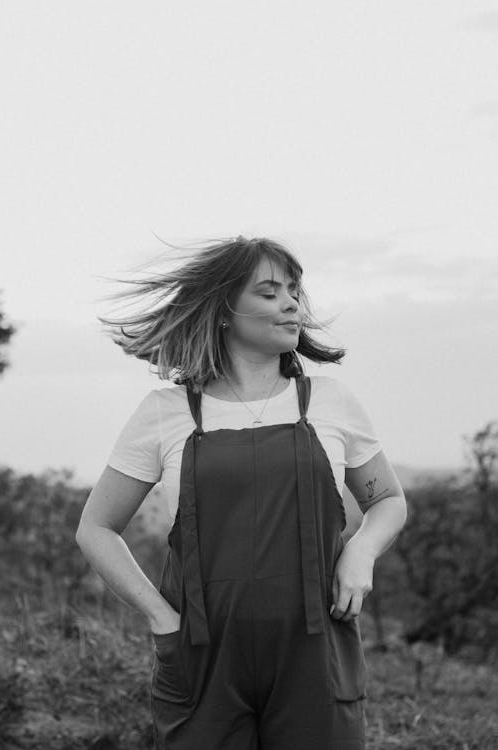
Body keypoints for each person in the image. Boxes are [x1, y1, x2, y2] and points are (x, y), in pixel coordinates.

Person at [76, 235, 407, 750]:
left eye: (294, 291)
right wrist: (163, 619)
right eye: (270, 292)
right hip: (202, 657)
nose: (292, 303)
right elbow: (96, 527)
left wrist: (362, 550)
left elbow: (387, 499)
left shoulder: (330, 401)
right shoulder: (165, 412)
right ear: (224, 310)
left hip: (316, 653)